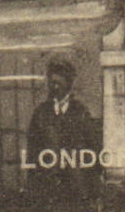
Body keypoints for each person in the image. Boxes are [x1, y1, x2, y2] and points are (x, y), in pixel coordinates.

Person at [24, 58, 101, 212]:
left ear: (69, 84)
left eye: (59, 82)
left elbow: (93, 152)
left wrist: (92, 191)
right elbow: (32, 153)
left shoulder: (81, 112)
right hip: (48, 190)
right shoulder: (41, 113)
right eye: (52, 82)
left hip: (76, 189)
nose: (55, 86)